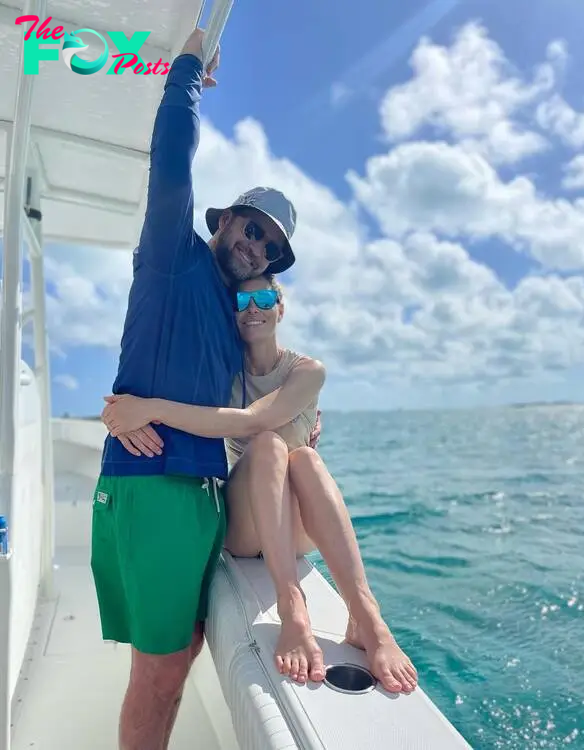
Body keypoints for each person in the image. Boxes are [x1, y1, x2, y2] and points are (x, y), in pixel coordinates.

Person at [90, 27, 318, 750]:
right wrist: (187, 68)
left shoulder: (231, 316)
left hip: (200, 498)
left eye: (269, 246)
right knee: (158, 674)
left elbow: (250, 407)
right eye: (249, 228)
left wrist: (297, 424)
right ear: (224, 222)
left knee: (180, 657)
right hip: (154, 486)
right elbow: (172, 160)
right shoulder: (173, 256)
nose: (254, 244)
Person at [101, 274, 419, 695]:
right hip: (248, 528)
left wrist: (153, 408)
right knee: (270, 447)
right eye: (242, 300)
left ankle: (367, 618)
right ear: (232, 312)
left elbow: (254, 420)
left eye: (265, 297)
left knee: (303, 456)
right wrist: (126, 413)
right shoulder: (223, 378)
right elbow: (199, 408)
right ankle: (293, 608)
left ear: (280, 308)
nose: (253, 307)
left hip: (296, 529)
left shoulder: (307, 372)